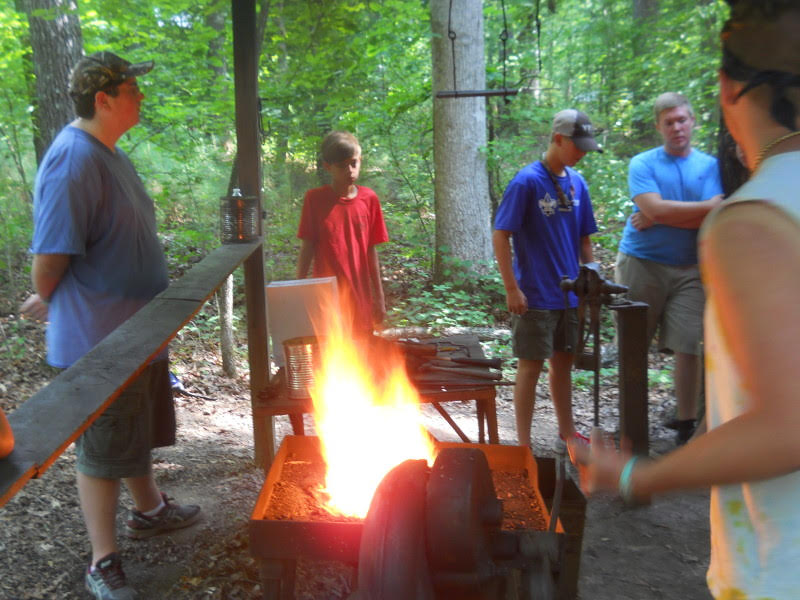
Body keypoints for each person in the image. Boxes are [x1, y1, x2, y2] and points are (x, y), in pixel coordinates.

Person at [582, 2, 800, 598]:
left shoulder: (756, 216)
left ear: (727, 90)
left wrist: (635, 475)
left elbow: (788, 427)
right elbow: (652, 213)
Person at [19, 51, 201, 600]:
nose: (140, 95)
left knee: (133, 430)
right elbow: (50, 258)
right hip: (99, 340)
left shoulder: (109, 153)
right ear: (103, 99)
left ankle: (149, 510)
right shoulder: (73, 158)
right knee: (102, 450)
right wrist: (48, 296)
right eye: (131, 88)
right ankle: (102, 561)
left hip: (135, 332)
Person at [614, 92, 724, 444]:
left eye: (682, 120)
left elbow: (714, 213)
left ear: (692, 121)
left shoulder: (710, 166)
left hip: (690, 269)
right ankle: (629, 424)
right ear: (659, 127)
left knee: (689, 345)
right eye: (669, 122)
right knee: (633, 344)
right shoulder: (643, 163)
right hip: (641, 264)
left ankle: (686, 425)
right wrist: (666, 211)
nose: (677, 127)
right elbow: (659, 208)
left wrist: (658, 214)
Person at [493, 109, 601, 457]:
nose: (582, 152)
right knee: (530, 367)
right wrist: (512, 288)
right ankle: (523, 446)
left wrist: (592, 278)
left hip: (570, 295)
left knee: (563, 365)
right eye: (577, 145)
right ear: (558, 139)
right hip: (534, 294)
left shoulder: (578, 183)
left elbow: (585, 239)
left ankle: (567, 434)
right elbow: (501, 234)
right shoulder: (527, 182)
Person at [296, 131, 389, 336]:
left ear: (360, 160)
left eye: (354, 163)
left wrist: (379, 297)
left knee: (360, 346)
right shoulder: (315, 199)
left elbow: (371, 251)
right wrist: (297, 289)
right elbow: (307, 247)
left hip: (360, 294)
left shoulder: (369, 199)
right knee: (330, 347)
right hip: (326, 294)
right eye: (341, 166)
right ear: (327, 167)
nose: (350, 170)